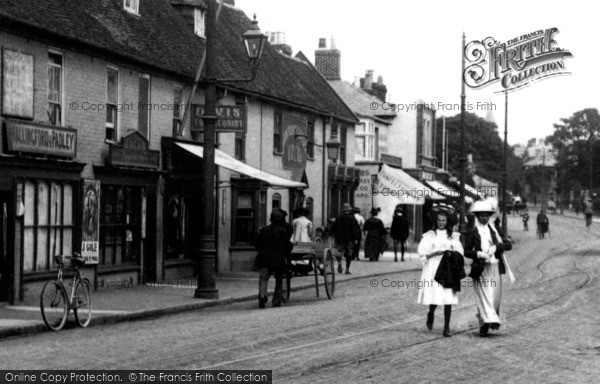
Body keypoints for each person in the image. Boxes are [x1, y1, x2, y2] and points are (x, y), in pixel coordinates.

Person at [464, 201, 513, 338]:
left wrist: (497, 247)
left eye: (487, 216)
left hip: (495, 267)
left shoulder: (495, 230)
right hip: (481, 269)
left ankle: (491, 321)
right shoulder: (473, 232)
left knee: (494, 298)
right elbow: (466, 251)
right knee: (483, 296)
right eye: (482, 216)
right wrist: (479, 254)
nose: (485, 218)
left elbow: (508, 244)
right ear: (477, 217)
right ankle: (484, 325)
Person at [417, 203, 464, 337]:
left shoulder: (453, 236)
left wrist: (451, 253)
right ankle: (431, 313)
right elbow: (422, 252)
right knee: (436, 295)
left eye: (443, 220)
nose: (441, 223)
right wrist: (435, 253)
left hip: (448, 268)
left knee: (448, 296)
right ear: (435, 221)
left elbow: (460, 252)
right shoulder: (430, 235)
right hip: (433, 267)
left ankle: (446, 327)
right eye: (439, 220)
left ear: (447, 222)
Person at [254, 210, 293, 308]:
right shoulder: (282, 232)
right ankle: (276, 300)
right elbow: (288, 247)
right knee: (279, 280)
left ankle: (262, 296)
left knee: (263, 278)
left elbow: (256, 244)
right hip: (278, 261)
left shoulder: (263, 230)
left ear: (270, 219)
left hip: (264, 260)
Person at [332, 203, 361, 274]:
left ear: (343, 210)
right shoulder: (352, 218)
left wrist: (334, 235)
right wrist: (356, 238)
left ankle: (339, 262)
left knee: (338, 252)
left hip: (339, 239)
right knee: (349, 253)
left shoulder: (338, 218)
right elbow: (355, 229)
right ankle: (347, 269)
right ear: (349, 210)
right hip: (349, 239)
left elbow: (334, 228)